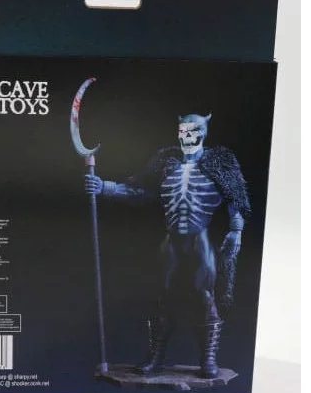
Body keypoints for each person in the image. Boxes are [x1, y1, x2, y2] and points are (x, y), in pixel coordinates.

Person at [85, 113, 250, 378]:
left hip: (200, 240)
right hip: (171, 241)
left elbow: (236, 197)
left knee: (204, 295)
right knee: (163, 297)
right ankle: (156, 358)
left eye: (192, 131)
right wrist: (105, 187)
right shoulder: (165, 163)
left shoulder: (219, 162)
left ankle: (208, 359)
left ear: (203, 133)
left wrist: (236, 230)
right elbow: (142, 193)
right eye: (183, 131)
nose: (187, 136)